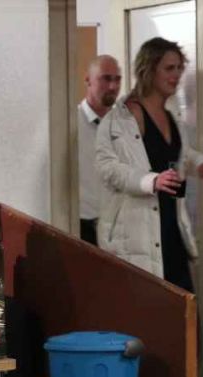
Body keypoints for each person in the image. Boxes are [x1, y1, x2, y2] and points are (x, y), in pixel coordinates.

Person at [95, 37, 203, 291]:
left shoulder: (170, 116)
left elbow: (178, 154)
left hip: (171, 227)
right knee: (148, 307)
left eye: (179, 68)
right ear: (149, 69)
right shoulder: (123, 117)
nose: (176, 75)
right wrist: (151, 181)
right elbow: (108, 167)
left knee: (183, 305)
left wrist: (201, 163)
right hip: (137, 233)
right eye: (169, 68)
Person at [78, 55, 122, 245]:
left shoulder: (126, 125)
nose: (113, 86)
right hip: (82, 226)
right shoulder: (70, 124)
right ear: (88, 80)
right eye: (106, 78)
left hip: (119, 226)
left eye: (117, 79)